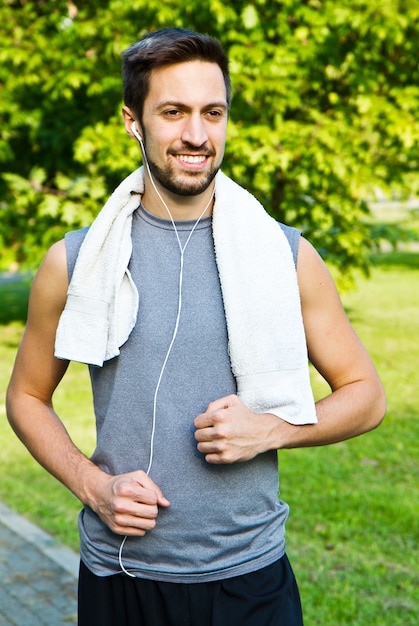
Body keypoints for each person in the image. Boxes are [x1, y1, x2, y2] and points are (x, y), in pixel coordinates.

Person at [6, 28, 385, 626]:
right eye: (173, 112)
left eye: (213, 112)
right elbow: (26, 397)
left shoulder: (287, 255)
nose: (196, 135)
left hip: (249, 582)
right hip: (121, 574)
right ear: (133, 121)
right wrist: (92, 487)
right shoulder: (76, 261)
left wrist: (269, 430)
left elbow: (367, 397)